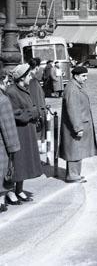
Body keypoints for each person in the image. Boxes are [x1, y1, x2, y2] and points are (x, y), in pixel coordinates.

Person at [5, 64, 43, 205]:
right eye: (29, 75)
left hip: (27, 131)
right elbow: (15, 114)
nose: (31, 77)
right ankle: (10, 191)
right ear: (22, 77)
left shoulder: (23, 89)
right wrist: (33, 112)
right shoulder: (11, 92)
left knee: (24, 161)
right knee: (16, 162)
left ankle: (19, 189)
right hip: (19, 132)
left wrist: (34, 111)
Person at [59, 66, 97, 183]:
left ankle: (75, 174)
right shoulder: (72, 89)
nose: (86, 78)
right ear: (76, 76)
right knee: (74, 150)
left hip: (78, 124)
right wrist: (78, 128)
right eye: (83, 76)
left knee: (77, 150)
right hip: (75, 126)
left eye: (86, 76)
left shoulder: (75, 86)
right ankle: (72, 175)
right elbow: (73, 110)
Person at [0, 69, 20, 213]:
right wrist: (13, 148)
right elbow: (8, 127)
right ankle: (1, 201)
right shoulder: (3, 100)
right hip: (1, 144)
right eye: (7, 81)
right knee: (2, 171)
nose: (8, 84)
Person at [27, 59, 48, 151]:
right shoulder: (33, 80)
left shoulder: (31, 78)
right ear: (37, 67)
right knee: (38, 134)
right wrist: (39, 113)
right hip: (37, 111)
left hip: (37, 109)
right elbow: (35, 98)